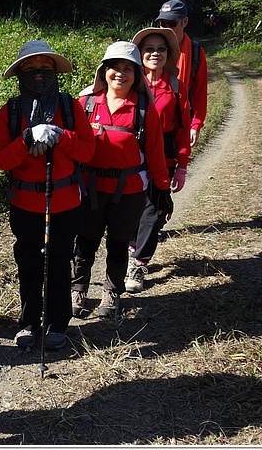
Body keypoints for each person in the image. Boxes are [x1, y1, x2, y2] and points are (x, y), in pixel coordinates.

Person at [0, 40, 95, 349]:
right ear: (21, 73)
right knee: (28, 262)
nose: (39, 74)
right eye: (31, 68)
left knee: (59, 262)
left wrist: (62, 136)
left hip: (64, 201)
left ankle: (57, 324)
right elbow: (0, 160)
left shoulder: (69, 107)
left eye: (45, 68)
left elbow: (88, 150)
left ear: (54, 71)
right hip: (25, 202)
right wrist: (26, 138)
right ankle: (28, 322)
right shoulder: (10, 111)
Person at [71, 41, 172, 319]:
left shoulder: (143, 109)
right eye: (115, 67)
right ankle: (78, 289)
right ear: (104, 70)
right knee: (85, 242)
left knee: (117, 244)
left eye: (128, 68)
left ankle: (112, 292)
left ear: (137, 74)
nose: (120, 73)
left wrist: (162, 190)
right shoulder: (86, 103)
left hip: (128, 191)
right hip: (90, 189)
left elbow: (155, 153)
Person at [126, 27, 190, 293]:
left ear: (169, 54)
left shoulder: (175, 87)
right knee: (130, 210)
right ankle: (130, 250)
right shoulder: (128, 82)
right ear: (139, 54)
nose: (155, 54)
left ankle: (138, 264)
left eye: (161, 49)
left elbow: (182, 129)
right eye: (149, 49)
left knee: (154, 212)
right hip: (131, 159)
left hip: (163, 159)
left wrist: (182, 166)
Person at [155, 0, 208, 148]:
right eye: (162, 23)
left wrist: (195, 125)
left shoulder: (196, 53)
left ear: (184, 22)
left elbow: (200, 92)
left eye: (171, 23)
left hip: (180, 123)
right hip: (152, 122)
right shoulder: (152, 50)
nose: (166, 28)